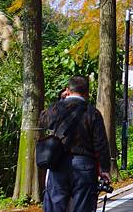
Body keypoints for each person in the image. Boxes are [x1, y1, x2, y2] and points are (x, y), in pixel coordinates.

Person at [40, 75, 111, 212]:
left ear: (67, 90)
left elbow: (43, 120)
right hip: (85, 166)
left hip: (58, 164)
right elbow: (101, 143)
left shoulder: (56, 109)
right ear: (87, 93)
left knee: (55, 206)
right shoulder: (93, 113)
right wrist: (104, 168)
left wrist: (60, 100)